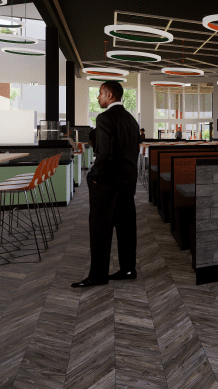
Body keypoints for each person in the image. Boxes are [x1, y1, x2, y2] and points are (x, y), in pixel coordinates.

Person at [73, 81, 140, 288]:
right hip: (127, 183)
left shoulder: (104, 118)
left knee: (100, 229)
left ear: (109, 95)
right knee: (126, 228)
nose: (98, 97)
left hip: (107, 183)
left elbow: (105, 154)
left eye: (100, 93)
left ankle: (98, 275)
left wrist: (92, 176)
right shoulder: (132, 120)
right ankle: (128, 269)